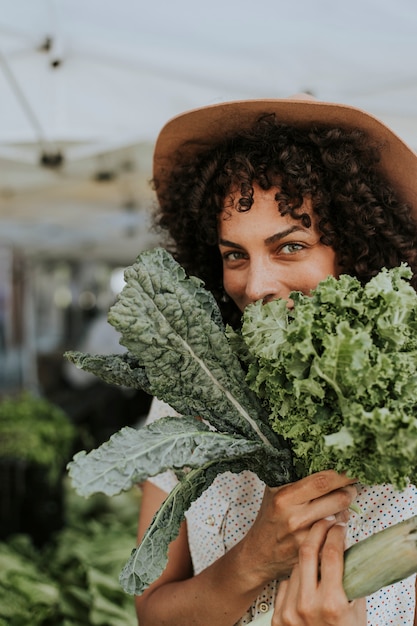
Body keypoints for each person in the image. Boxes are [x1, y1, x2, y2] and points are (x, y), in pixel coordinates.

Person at [135, 95, 417, 626]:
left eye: (290, 247)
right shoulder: (192, 397)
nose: (256, 286)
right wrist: (251, 561)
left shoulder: (408, 399)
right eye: (234, 255)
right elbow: (152, 613)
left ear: (359, 245)